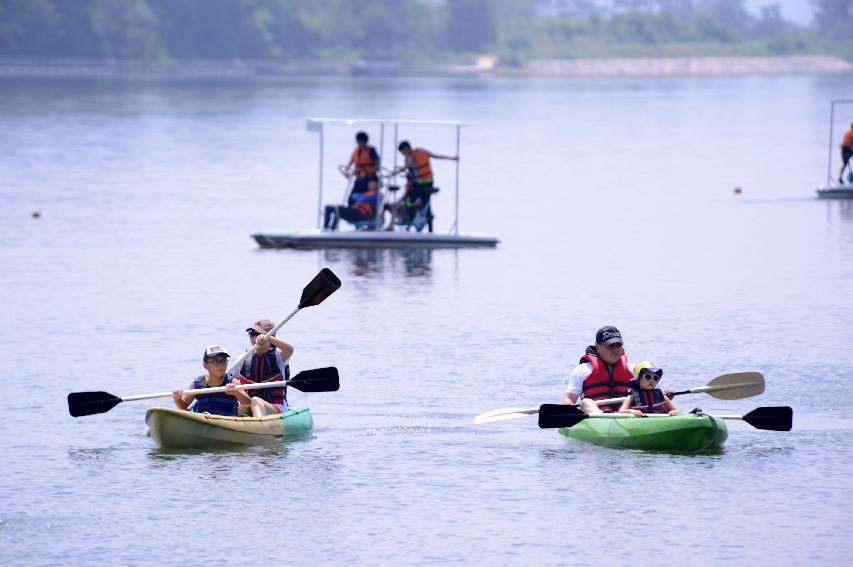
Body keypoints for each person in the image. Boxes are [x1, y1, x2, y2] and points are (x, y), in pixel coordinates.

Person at [384, 141, 457, 231]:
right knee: (424, 203)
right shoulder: (422, 151)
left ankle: (412, 220)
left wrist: (393, 173)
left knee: (411, 200)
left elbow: (405, 167)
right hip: (429, 183)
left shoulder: (409, 157)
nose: (403, 155)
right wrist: (452, 158)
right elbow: (436, 156)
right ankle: (428, 226)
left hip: (419, 185)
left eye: (402, 152)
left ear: (406, 149)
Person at [562, 326, 634, 414]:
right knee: (585, 402)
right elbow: (570, 398)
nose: (615, 349)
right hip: (597, 418)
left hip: (627, 415)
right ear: (598, 347)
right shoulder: (583, 370)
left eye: (618, 345)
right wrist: (567, 404)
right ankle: (604, 417)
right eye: (610, 346)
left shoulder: (633, 370)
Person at [236, 319, 295, 418]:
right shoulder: (243, 359)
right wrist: (235, 385)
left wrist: (269, 338)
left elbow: (290, 349)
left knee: (256, 401)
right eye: (252, 334)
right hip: (249, 404)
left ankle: (258, 427)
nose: (255, 337)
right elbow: (232, 378)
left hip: (276, 407)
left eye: (259, 334)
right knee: (235, 405)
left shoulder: (279, 356)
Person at [172, 345, 251, 416]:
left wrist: (236, 393)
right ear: (205, 365)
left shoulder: (232, 382)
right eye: (215, 361)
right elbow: (183, 405)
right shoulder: (198, 383)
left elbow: (247, 403)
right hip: (203, 421)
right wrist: (177, 398)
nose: (220, 365)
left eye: (223, 361)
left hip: (226, 422)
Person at [343, 131, 380, 195]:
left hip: (370, 178)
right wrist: (346, 170)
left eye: (362, 142)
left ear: (366, 142)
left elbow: (377, 166)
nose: (360, 144)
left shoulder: (371, 150)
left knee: (369, 196)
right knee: (352, 199)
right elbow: (351, 161)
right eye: (359, 142)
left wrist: (368, 173)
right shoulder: (356, 150)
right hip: (359, 178)